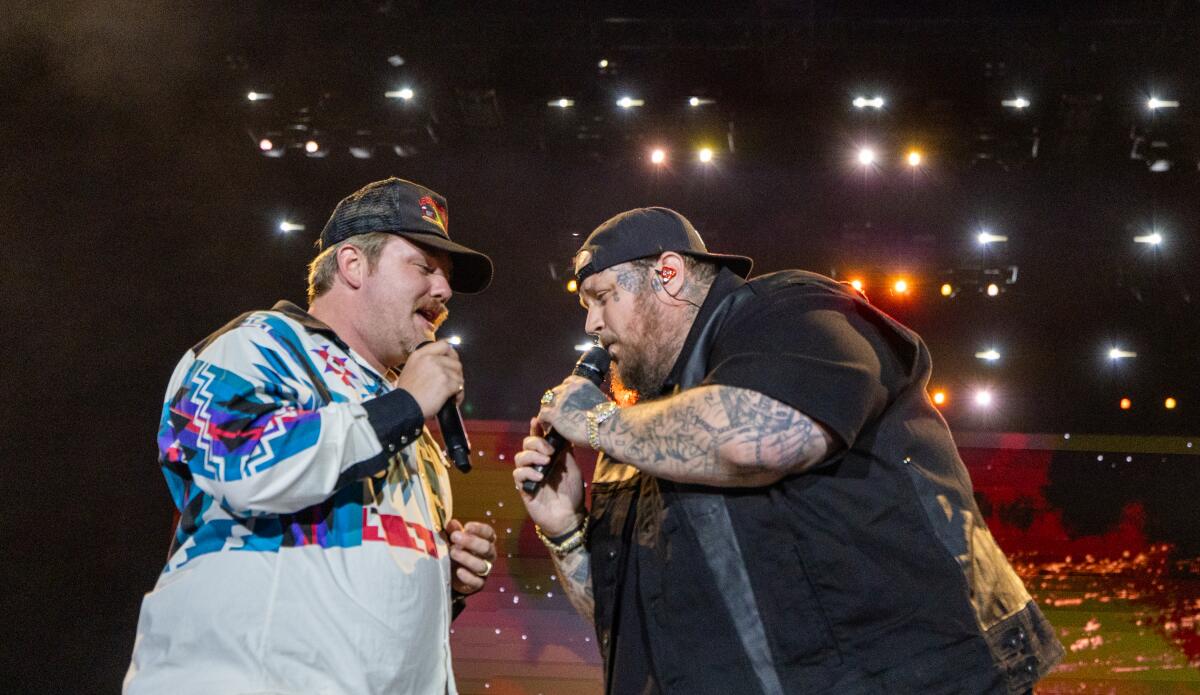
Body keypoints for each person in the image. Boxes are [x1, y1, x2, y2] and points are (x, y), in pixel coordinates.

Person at [514, 207, 1063, 694]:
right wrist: (564, 530)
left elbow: (755, 443)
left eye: (603, 298)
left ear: (667, 273)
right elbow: (626, 622)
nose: (592, 325)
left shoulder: (784, 312)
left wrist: (597, 419)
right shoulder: (637, 429)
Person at [126, 178, 498, 694]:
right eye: (425, 266)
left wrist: (445, 581)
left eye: (447, 277)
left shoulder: (408, 422)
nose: (444, 290)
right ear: (352, 265)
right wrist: (404, 407)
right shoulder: (259, 344)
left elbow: (362, 593)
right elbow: (243, 464)